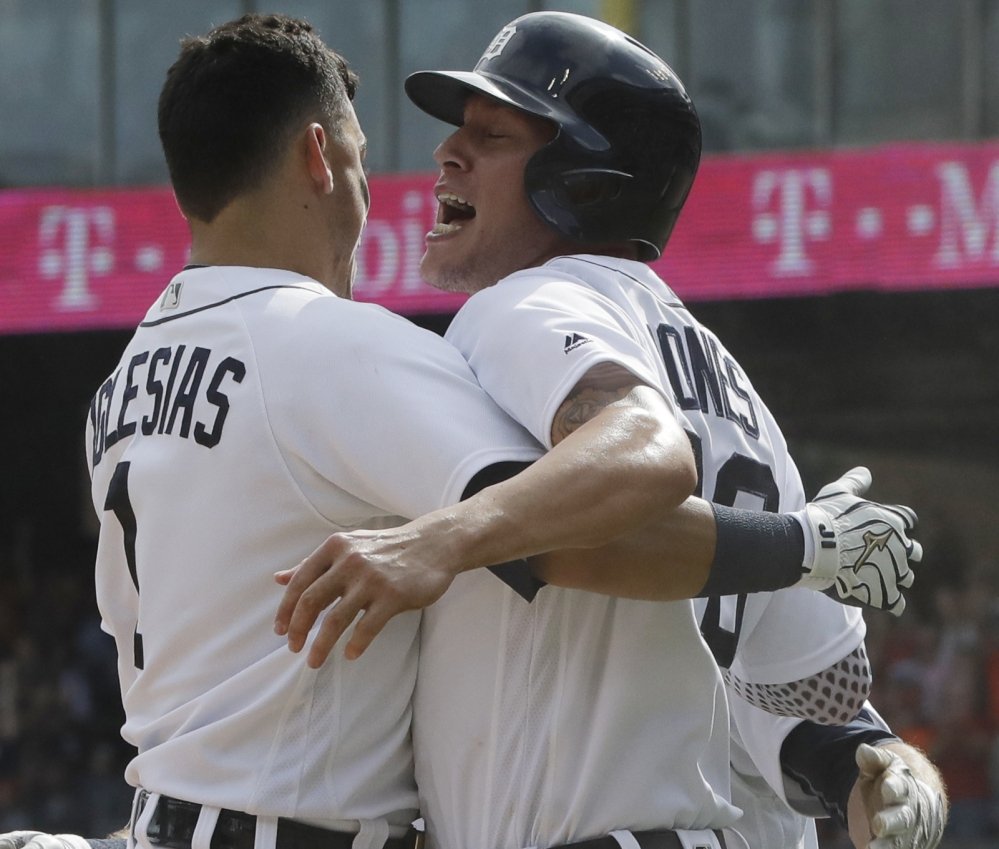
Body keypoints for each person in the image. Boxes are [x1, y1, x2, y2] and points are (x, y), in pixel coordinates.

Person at [24, 12, 920, 849]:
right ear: (317, 157)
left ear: (580, 181)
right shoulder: (725, 382)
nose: (442, 156)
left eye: (489, 136)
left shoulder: (124, 385)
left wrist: (437, 540)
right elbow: (811, 702)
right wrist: (804, 547)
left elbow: (597, 509)